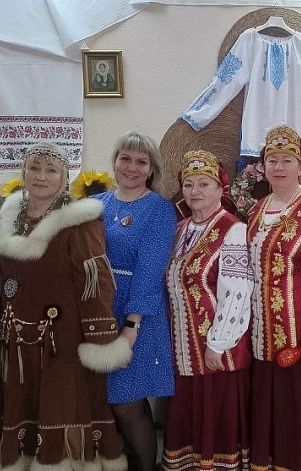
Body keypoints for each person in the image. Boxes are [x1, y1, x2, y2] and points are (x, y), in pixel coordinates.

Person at [0, 142, 130, 470]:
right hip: (17, 339)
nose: (41, 176)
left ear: (65, 177)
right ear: (23, 171)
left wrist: (99, 340)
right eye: (34, 168)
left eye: (51, 170)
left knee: (62, 407)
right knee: (23, 407)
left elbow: (96, 281)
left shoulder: (79, 221)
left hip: (62, 340)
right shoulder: (10, 217)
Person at [247, 125, 301, 471]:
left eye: (287, 160)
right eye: (272, 160)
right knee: (267, 405)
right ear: (263, 166)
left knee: (296, 408)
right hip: (262, 332)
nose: (279, 167)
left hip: (297, 332)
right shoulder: (258, 209)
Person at [161, 150, 254, 471]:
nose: (195, 191)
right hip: (184, 350)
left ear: (220, 188)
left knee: (215, 419)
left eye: (204, 184)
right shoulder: (181, 228)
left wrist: (219, 343)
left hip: (215, 352)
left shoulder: (232, 229)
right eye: (189, 184)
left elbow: (238, 292)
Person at [96, 131, 176, 471]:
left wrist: (131, 325)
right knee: (105, 401)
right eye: (125, 159)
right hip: (97, 310)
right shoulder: (97, 204)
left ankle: (146, 467)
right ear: (114, 161)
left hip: (136, 313)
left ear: (151, 169)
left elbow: (150, 271)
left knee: (126, 402)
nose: (132, 167)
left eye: (141, 161)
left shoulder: (159, 210)